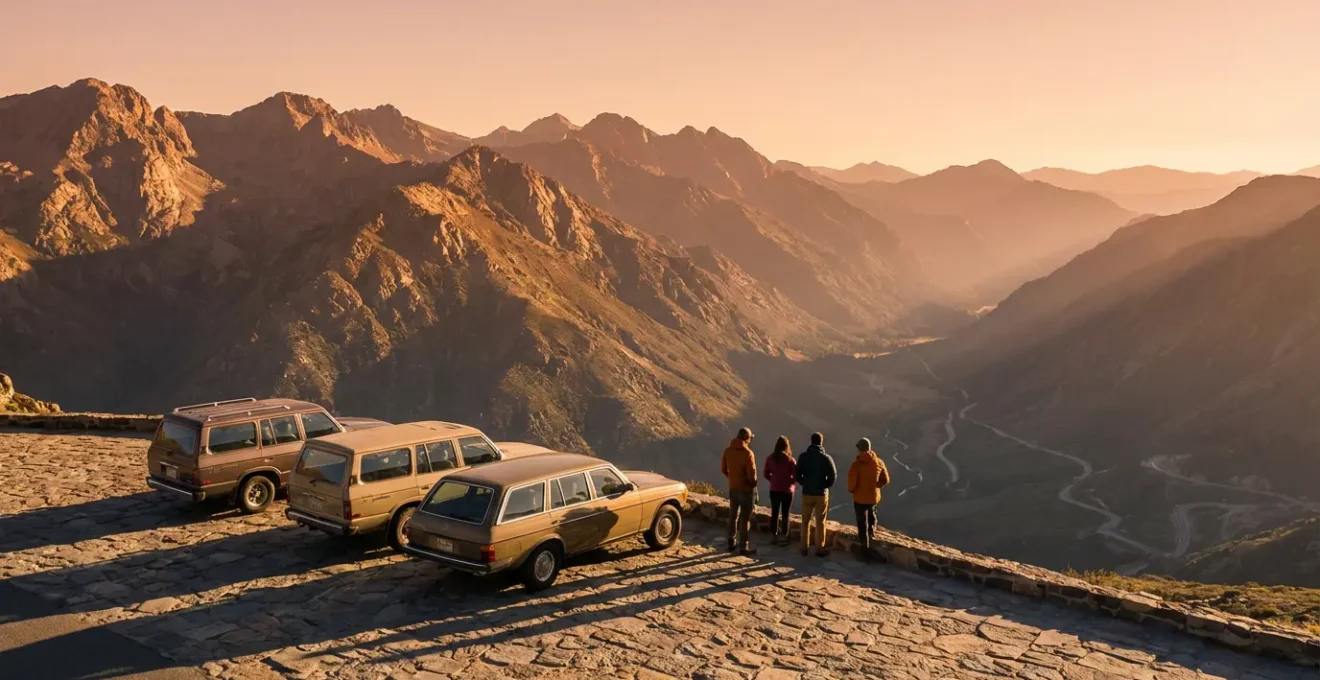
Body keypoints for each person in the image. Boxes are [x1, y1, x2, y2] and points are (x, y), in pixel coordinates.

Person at [847, 437, 890, 561]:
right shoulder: (879, 462)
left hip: (859, 499)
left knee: (862, 523)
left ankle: (864, 549)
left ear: (859, 449)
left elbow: (851, 485)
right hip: (873, 497)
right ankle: (871, 539)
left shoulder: (856, 465)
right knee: (872, 518)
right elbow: (886, 479)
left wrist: (854, 490)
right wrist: (876, 486)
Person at [794, 432, 836, 557]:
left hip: (807, 493)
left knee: (805, 521)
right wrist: (824, 486)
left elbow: (797, 474)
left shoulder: (803, 457)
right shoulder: (826, 458)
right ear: (821, 442)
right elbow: (833, 476)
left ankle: (803, 547)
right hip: (821, 494)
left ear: (811, 442)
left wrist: (804, 483)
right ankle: (819, 548)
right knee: (820, 522)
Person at [720, 426, 758, 555]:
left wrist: (732, 478)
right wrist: (753, 484)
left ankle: (731, 542)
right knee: (744, 519)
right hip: (746, 490)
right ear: (747, 439)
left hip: (733, 487)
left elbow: (723, 469)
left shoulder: (728, 451)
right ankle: (743, 546)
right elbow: (752, 476)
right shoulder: (748, 454)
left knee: (733, 516)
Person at [763, 436, 796, 546]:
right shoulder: (790, 460)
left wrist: (773, 480)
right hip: (787, 491)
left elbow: (766, 474)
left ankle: (774, 536)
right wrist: (790, 482)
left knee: (775, 513)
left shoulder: (770, 459)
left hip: (774, 489)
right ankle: (784, 536)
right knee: (786, 514)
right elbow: (795, 476)